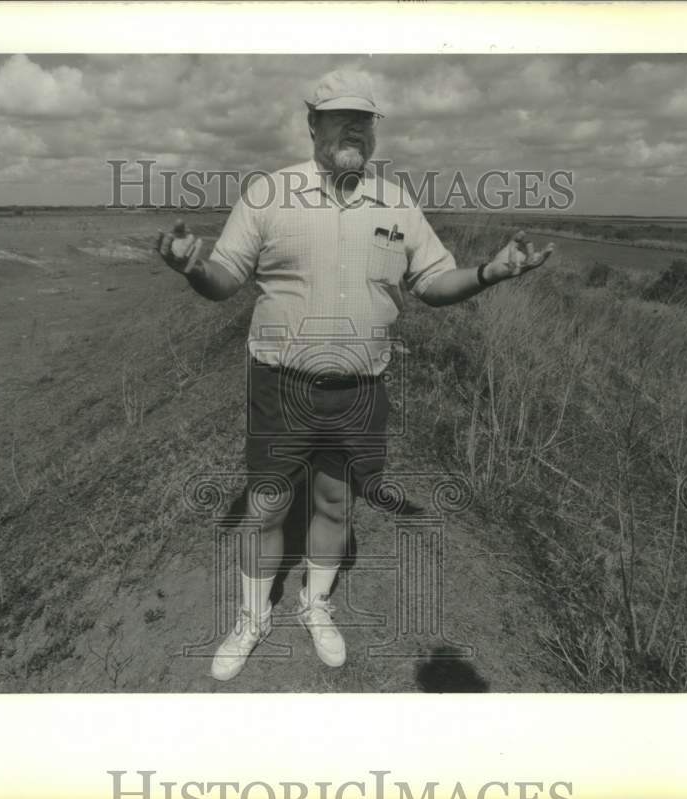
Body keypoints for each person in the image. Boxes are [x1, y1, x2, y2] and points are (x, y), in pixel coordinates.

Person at [157, 70, 554, 682]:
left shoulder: (396, 202)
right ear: (311, 123)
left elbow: (431, 284)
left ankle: (316, 604)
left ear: (374, 130)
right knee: (266, 505)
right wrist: (192, 268)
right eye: (338, 116)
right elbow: (224, 282)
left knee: (335, 500)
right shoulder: (268, 195)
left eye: (364, 119)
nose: (353, 128)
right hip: (280, 384)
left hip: (361, 388)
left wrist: (490, 274)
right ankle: (253, 616)